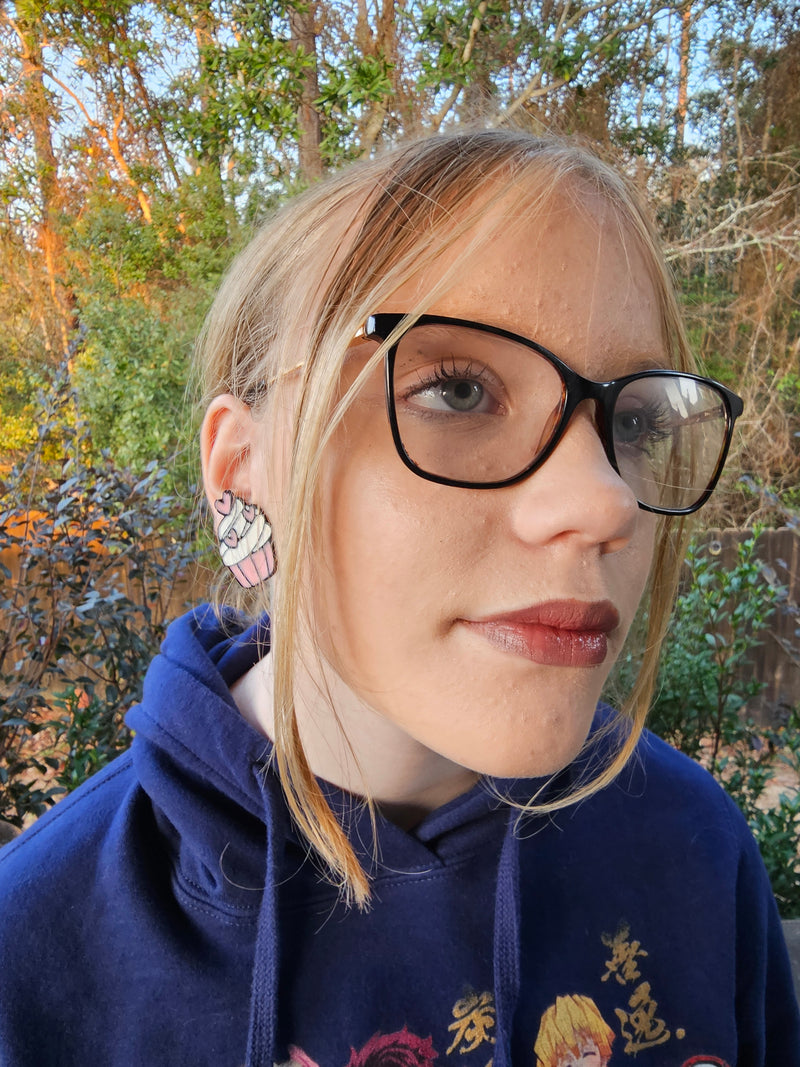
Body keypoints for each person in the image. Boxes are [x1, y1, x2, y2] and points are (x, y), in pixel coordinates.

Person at [0, 130, 797, 1067]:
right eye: (456, 390)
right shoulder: (32, 952)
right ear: (242, 470)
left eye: (636, 421)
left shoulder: (695, 846)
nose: (605, 503)